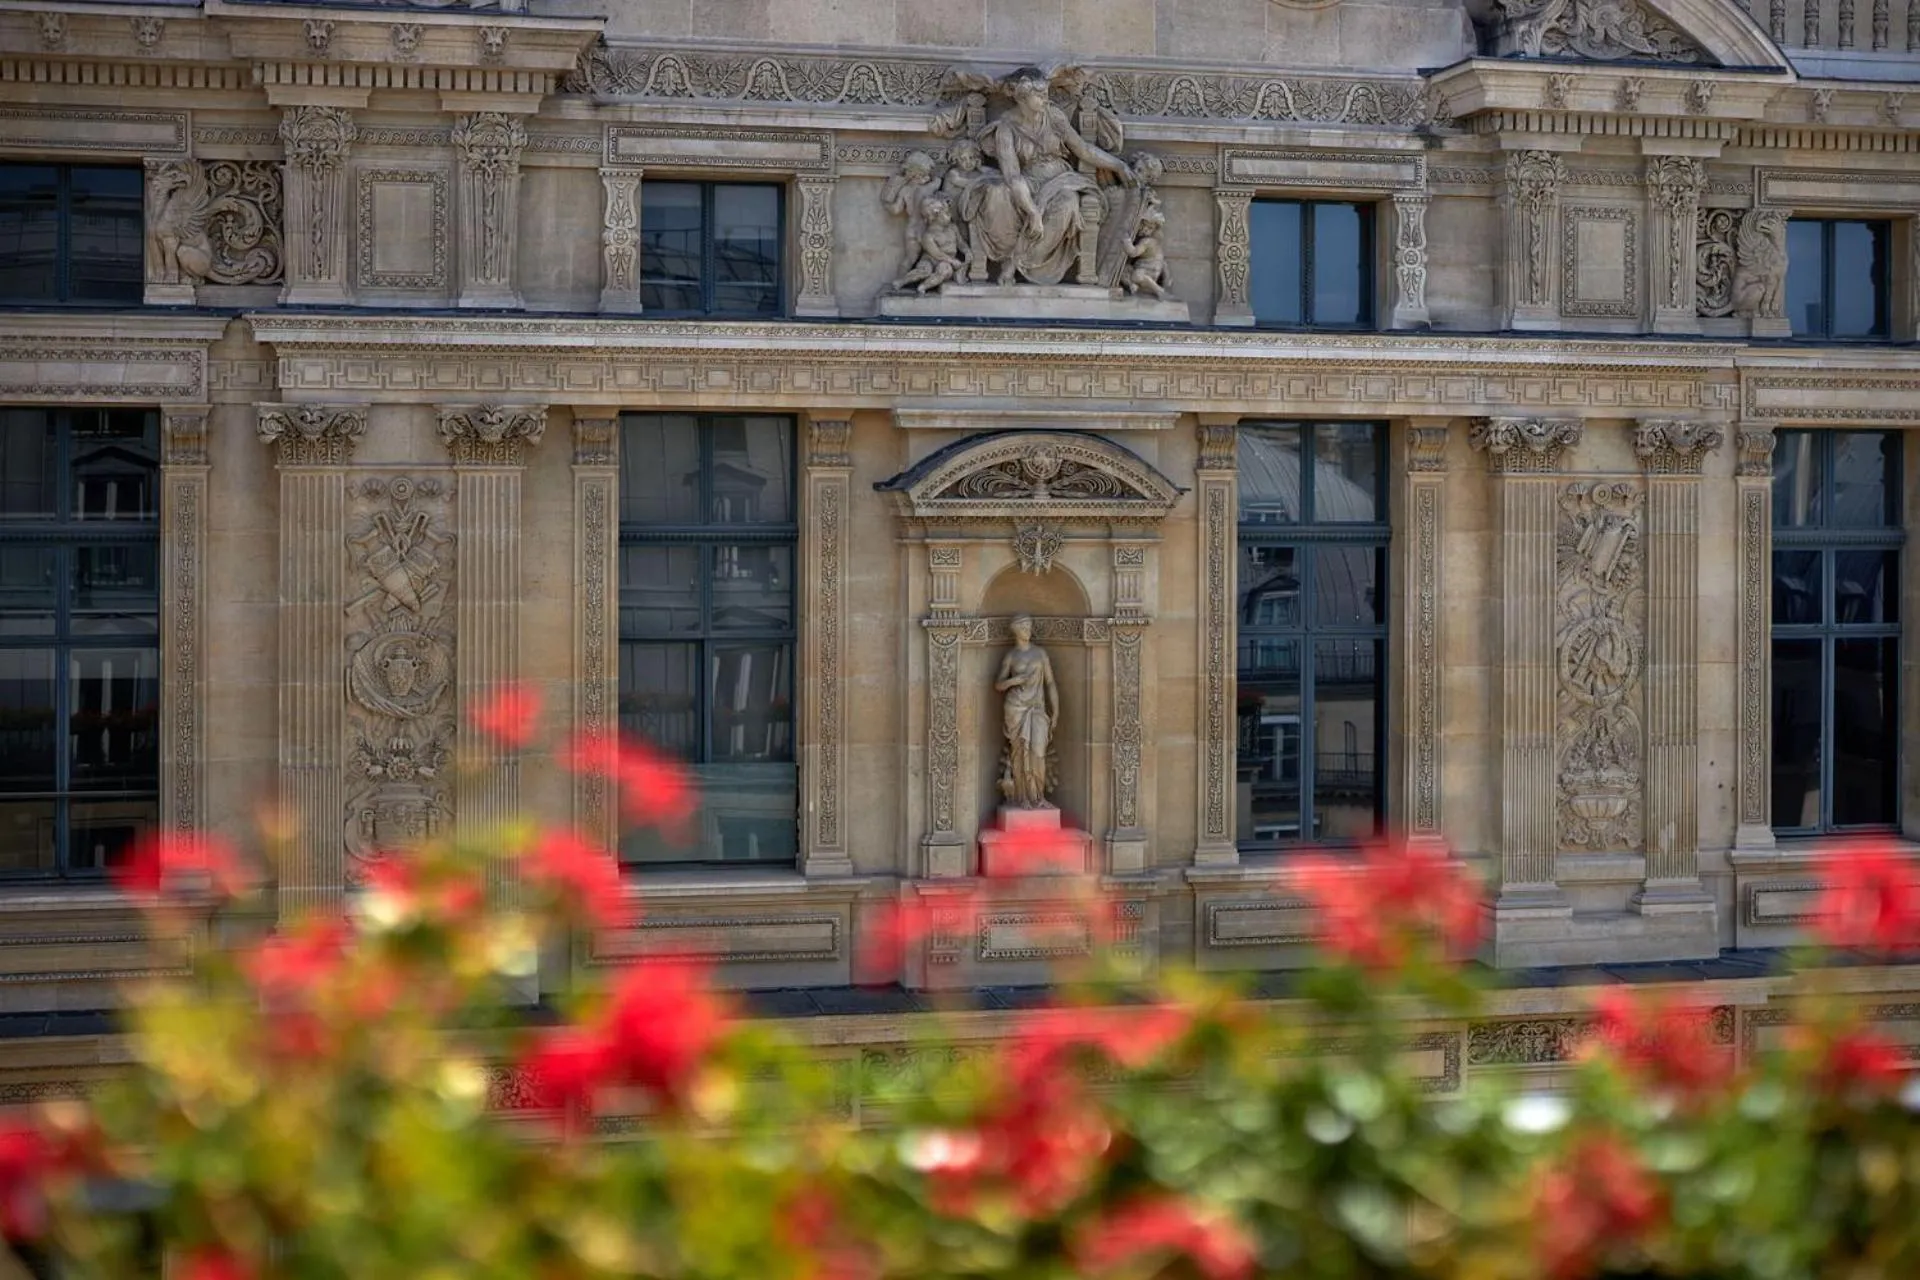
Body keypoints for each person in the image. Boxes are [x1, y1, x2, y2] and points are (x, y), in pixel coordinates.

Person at [994, 615, 1060, 809]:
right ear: (1015, 630)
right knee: (1019, 752)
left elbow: (1050, 683)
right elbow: (998, 684)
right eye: (1023, 626)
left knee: (1038, 752)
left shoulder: (1040, 654)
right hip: (1016, 708)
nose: (1027, 629)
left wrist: (1055, 711)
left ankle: (1038, 796)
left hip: (1037, 708)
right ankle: (1022, 797)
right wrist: (1014, 681)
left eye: (1029, 626)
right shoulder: (1011, 656)